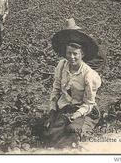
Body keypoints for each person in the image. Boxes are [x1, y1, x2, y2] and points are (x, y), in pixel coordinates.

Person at [41, 20, 102, 148]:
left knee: (73, 132)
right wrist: (52, 109)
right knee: (48, 133)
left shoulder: (88, 75)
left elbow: (89, 104)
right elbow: (56, 89)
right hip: (66, 108)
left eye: (75, 54)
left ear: (82, 54)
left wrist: (76, 115)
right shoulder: (62, 65)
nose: (72, 57)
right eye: (69, 53)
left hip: (84, 111)